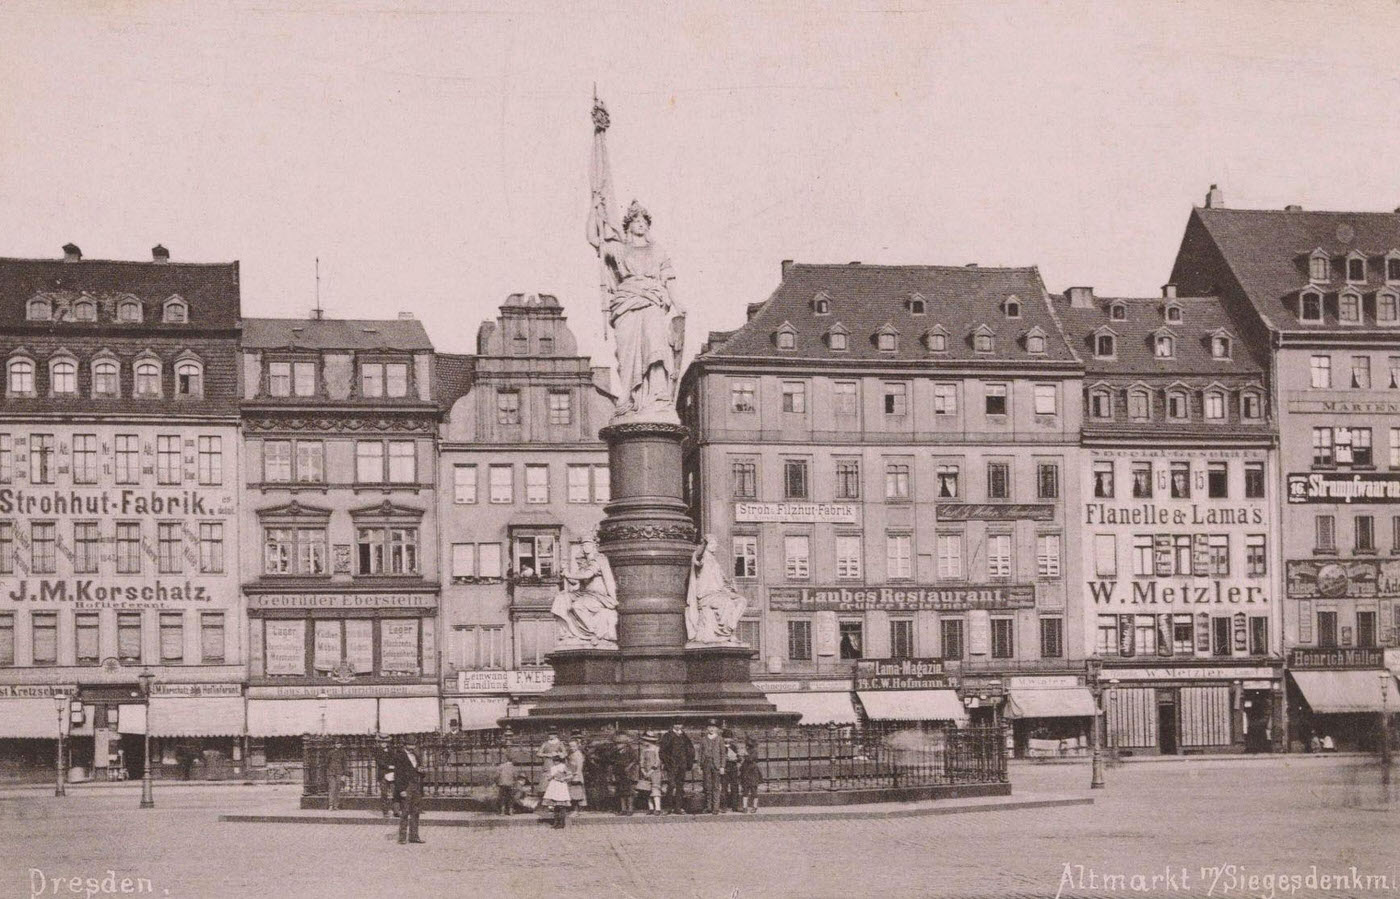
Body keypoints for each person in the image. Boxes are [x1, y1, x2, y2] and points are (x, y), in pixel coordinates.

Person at [586, 101, 686, 421]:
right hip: (627, 303)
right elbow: (593, 237)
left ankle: (657, 396)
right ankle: (630, 397)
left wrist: (679, 305)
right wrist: (596, 207)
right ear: (628, 225)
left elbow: (668, 281)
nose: (640, 225)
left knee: (656, 345)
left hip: (653, 301)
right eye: (635, 222)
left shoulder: (658, 252)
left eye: (644, 222)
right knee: (628, 352)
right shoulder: (620, 250)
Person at [551, 538, 618, 647]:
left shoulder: (598, 559)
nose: (585, 547)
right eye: (583, 545)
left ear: (593, 546)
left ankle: (592, 633)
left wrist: (569, 575)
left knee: (577, 606)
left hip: (598, 596)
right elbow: (574, 581)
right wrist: (565, 571)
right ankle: (566, 633)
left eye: (588, 544)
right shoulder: (584, 562)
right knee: (561, 598)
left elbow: (587, 575)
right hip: (583, 593)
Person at [684, 536, 748, 645]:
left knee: (742, 601)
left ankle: (728, 630)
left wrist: (730, 587)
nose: (715, 546)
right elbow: (698, 556)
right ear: (706, 545)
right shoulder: (702, 557)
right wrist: (704, 543)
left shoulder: (715, 563)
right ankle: (727, 634)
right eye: (712, 544)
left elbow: (722, 583)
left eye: (715, 544)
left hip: (719, 593)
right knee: (727, 604)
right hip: (706, 596)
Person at [393, 735, 425, 844]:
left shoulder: (416, 755)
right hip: (406, 786)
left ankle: (414, 836)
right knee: (405, 812)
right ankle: (402, 837)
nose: (412, 747)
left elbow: (420, 770)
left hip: (416, 786)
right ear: (405, 745)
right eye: (410, 744)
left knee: (415, 812)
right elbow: (398, 775)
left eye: (413, 744)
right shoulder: (399, 756)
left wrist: (421, 771)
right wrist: (401, 789)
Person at [659, 720, 694, 815]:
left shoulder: (684, 736)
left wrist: (688, 763)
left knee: (680, 787)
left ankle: (678, 807)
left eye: (680, 724)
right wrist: (668, 762)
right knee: (671, 785)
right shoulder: (667, 736)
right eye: (676, 724)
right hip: (672, 765)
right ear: (673, 725)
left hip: (682, 765)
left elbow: (690, 750)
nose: (678, 726)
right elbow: (662, 751)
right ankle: (668, 807)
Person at [697, 720, 727, 815]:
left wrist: (722, 766)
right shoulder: (703, 739)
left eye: (713, 727)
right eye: (709, 727)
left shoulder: (720, 739)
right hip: (706, 764)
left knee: (716, 786)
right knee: (707, 786)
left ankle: (716, 807)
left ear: (717, 729)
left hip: (716, 765)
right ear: (707, 728)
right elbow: (700, 753)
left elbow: (723, 753)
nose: (711, 729)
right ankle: (708, 806)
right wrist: (699, 766)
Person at [611, 732, 639, 816]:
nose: (617, 745)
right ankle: (623, 809)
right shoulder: (616, 752)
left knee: (629, 792)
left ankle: (630, 809)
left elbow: (635, 760)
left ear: (625, 744)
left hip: (628, 774)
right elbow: (613, 762)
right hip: (619, 773)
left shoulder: (630, 751)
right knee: (620, 792)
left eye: (620, 744)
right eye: (616, 744)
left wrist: (629, 766)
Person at [543, 754, 572, 829]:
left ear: (560, 761)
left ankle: (562, 823)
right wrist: (549, 777)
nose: (556, 762)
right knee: (555, 805)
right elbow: (549, 777)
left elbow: (570, 775)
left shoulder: (563, 766)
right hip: (554, 785)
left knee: (561, 805)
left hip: (561, 785)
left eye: (557, 761)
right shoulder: (552, 768)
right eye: (554, 761)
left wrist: (564, 778)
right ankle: (556, 822)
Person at [638, 731, 663, 815]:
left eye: (646, 740)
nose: (644, 742)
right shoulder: (643, 750)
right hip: (645, 771)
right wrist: (643, 770)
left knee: (655, 789)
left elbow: (658, 761)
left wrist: (651, 770)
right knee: (647, 789)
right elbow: (641, 760)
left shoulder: (656, 749)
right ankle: (651, 808)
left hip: (655, 771)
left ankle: (658, 808)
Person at [373, 735, 397, 817]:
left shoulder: (392, 750)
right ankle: (385, 811)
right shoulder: (377, 751)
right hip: (383, 774)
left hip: (392, 774)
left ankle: (396, 811)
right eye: (381, 742)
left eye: (385, 742)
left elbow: (395, 759)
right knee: (384, 794)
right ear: (379, 743)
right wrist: (389, 766)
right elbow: (379, 762)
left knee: (395, 792)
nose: (383, 743)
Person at [739, 737, 762, 814]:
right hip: (746, 772)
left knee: (753, 791)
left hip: (752, 772)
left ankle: (754, 806)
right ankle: (744, 807)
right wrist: (740, 757)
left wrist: (745, 755)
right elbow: (742, 760)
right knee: (745, 791)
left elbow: (751, 759)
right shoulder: (747, 750)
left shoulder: (754, 751)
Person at [325, 740, 349, 811]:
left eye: (339, 743)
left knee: (338, 789)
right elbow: (327, 762)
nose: (338, 745)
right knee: (332, 788)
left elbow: (345, 764)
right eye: (337, 743)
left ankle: (336, 806)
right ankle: (331, 805)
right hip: (331, 772)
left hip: (339, 772)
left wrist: (344, 774)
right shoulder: (330, 752)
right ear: (334, 744)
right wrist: (329, 770)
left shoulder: (343, 753)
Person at [722, 731, 742, 812]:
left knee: (735, 787)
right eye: (725, 738)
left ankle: (735, 806)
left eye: (729, 738)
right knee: (724, 788)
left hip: (733, 768)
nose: (727, 740)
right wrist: (726, 758)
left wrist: (736, 758)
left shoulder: (734, 747)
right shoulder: (721, 747)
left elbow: (739, 758)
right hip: (725, 768)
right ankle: (724, 806)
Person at [567, 737, 587, 812]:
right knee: (573, 792)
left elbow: (580, 766)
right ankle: (574, 809)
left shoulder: (578, 754)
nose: (572, 748)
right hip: (571, 774)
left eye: (574, 746)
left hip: (576, 775)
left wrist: (576, 774)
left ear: (577, 746)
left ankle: (577, 810)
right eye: (570, 746)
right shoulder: (571, 754)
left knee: (577, 793)